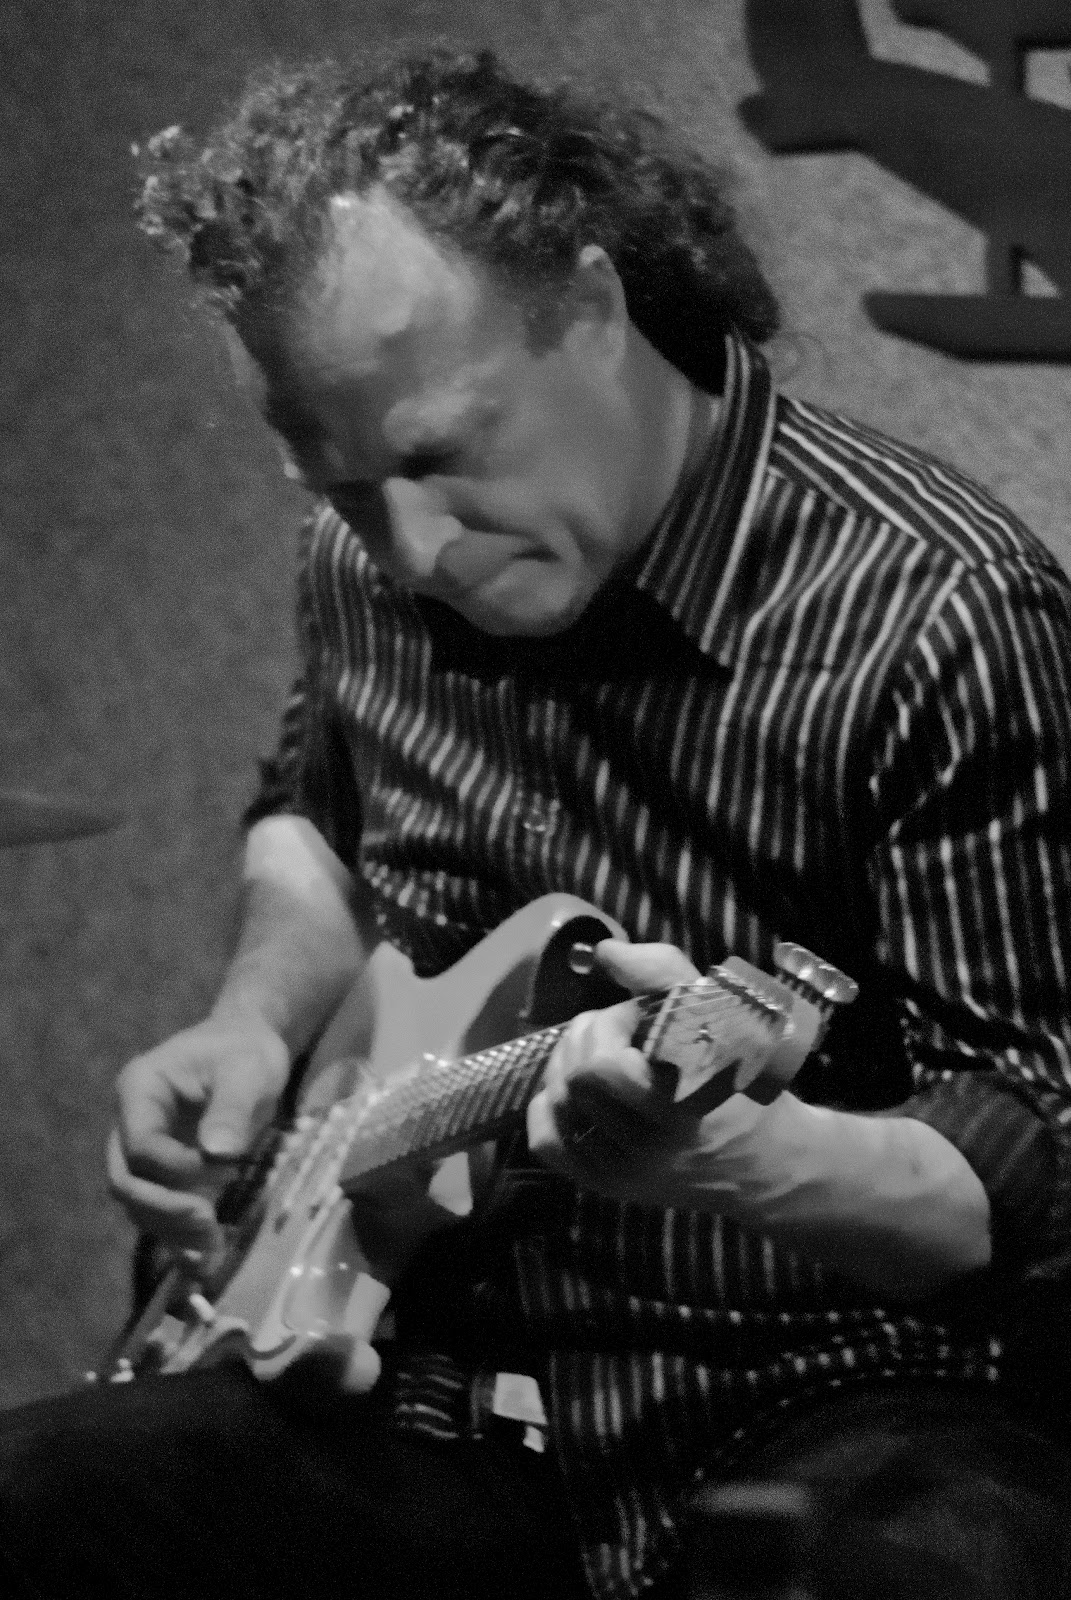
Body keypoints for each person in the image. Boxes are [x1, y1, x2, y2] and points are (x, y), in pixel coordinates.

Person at [3, 43, 1071, 1600]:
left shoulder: (943, 615)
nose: (411, 547)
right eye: (342, 485)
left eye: (441, 453)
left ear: (590, 304)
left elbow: (1039, 1157)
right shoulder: (359, 565)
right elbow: (313, 816)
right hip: (430, 1386)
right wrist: (250, 1023)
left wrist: (738, 1159)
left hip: (832, 1389)